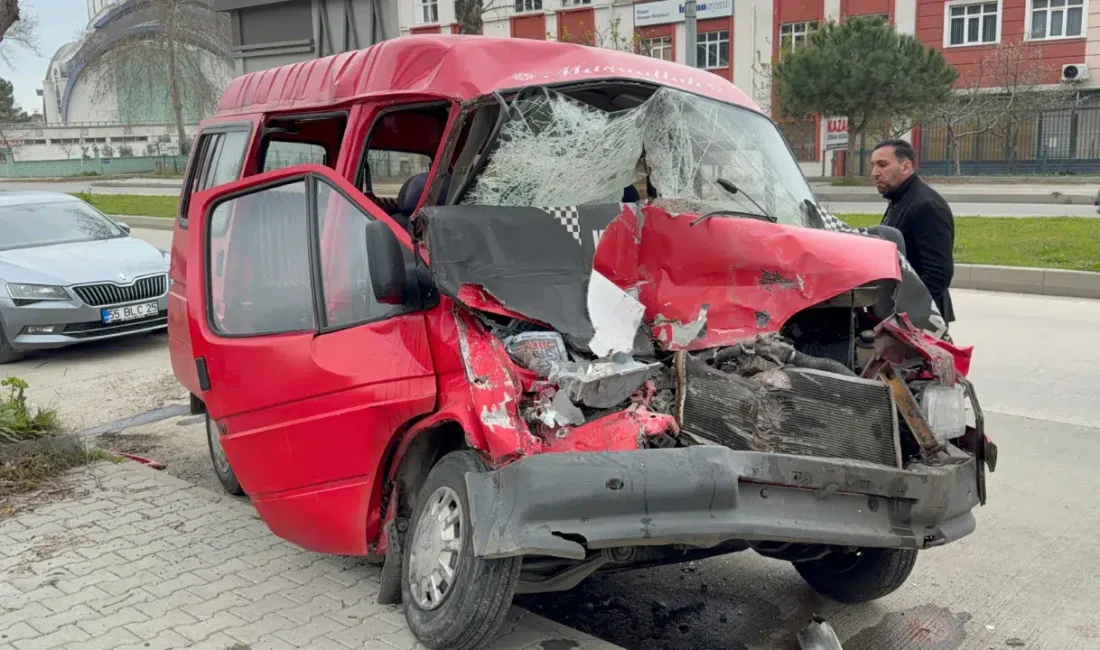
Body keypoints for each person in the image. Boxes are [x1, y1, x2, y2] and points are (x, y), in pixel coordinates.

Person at [869, 138, 956, 326]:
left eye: (882, 165)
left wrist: (907, 316)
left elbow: (938, 274)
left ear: (906, 167)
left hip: (920, 319)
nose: (874, 173)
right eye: (873, 165)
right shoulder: (900, 198)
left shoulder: (926, 205)